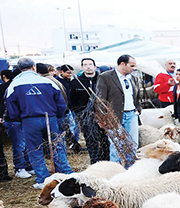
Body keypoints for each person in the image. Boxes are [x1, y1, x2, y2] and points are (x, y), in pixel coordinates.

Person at [5, 58, 73, 189]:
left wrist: (18, 119)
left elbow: (11, 106)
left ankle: (43, 179)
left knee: (35, 149)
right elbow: (60, 102)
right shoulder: (48, 81)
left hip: (29, 119)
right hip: (51, 117)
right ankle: (66, 173)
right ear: (33, 67)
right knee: (57, 145)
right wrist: (58, 116)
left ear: (20, 69)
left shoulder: (15, 84)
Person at [95, 54, 141, 168]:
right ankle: (115, 170)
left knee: (132, 145)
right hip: (113, 116)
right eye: (132, 65)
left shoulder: (133, 78)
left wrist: (137, 110)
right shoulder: (105, 77)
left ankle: (131, 170)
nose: (134, 68)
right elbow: (100, 99)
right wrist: (103, 117)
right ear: (122, 64)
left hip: (131, 115)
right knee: (116, 146)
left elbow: (137, 96)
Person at [70, 57, 108, 163]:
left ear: (95, 66)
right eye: (85, 65)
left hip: (103, 115)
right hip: (86, 116)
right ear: (82, 67)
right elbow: (73, 100)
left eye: (90, 64)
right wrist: (80, 113)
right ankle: (95, 161)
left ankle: (106, 161)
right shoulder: (76, 82)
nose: (88, 67)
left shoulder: (103, 79)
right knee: (91, 139)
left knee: (105, 139)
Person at [0, 68, 33, 179]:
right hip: (14, 120)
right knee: (19, 144)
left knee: (26, 144)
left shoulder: (17, 86)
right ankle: (20, 168)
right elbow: (7, 105)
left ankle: (27, 166)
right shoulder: (11, 87)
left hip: (21, 119)